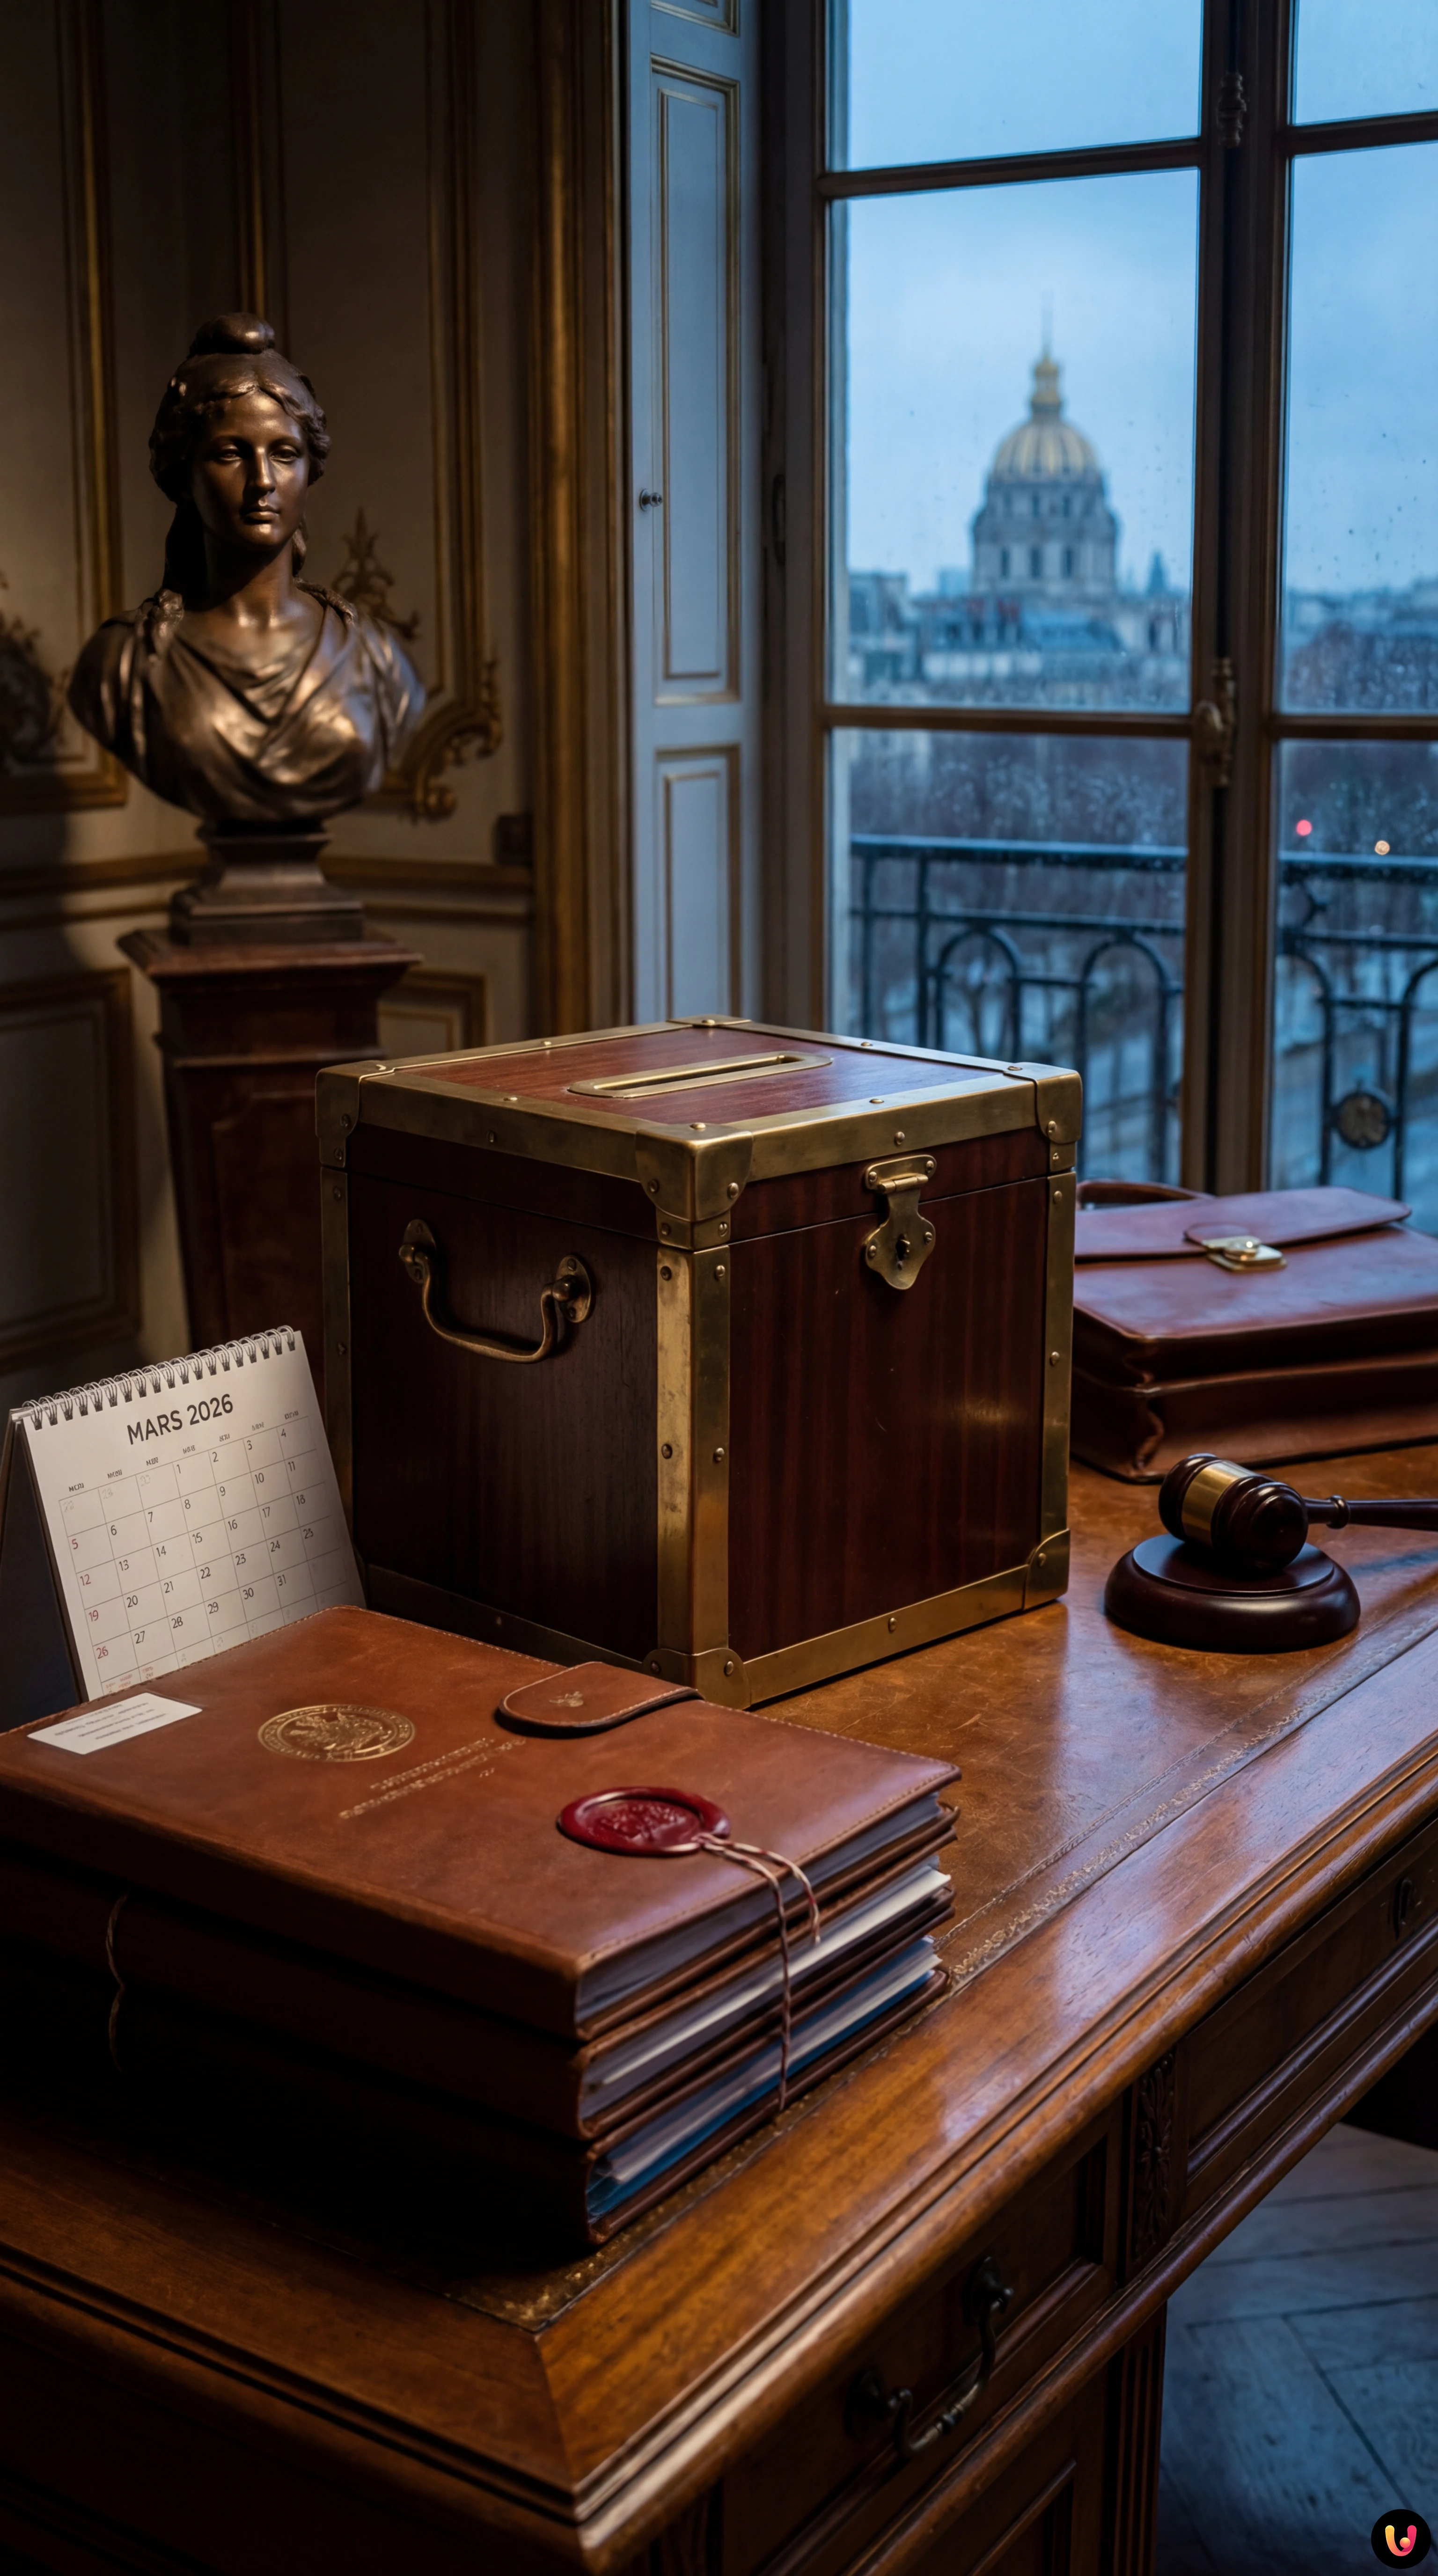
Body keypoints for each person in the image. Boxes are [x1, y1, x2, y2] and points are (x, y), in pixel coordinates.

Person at [69, 314, 423, 824]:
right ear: (184, 473)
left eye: (284, 453)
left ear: (309, 469)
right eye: (230, 453)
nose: (262, 481)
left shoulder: (376, 659)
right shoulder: (122, 664)